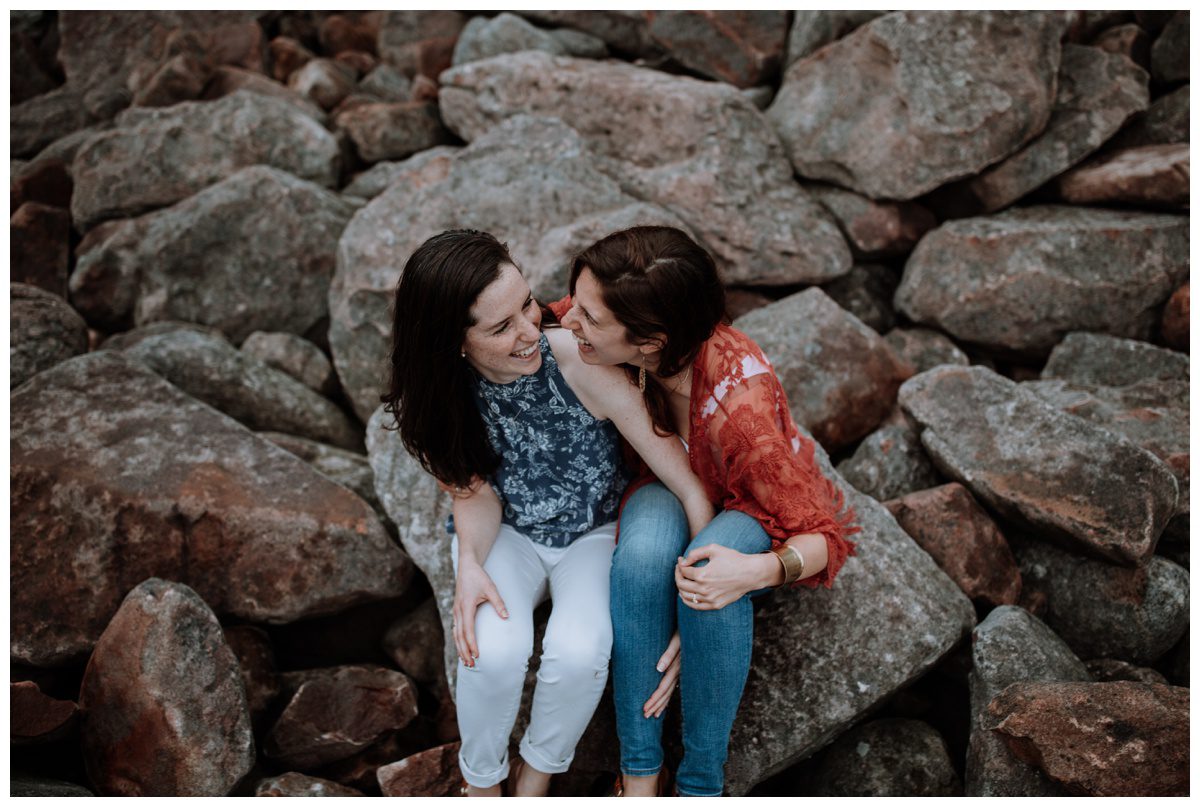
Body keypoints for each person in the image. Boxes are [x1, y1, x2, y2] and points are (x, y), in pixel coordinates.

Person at [380, 229, 712, 797]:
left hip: (594, 532)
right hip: (508, 530)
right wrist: (470, 566)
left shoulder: (577, 364)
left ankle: (533, 782)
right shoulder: (441, 396)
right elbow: (474, 492)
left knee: (580, 653)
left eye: (528, 305)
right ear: (454, 342)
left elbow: (685, 480)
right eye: (501, 327)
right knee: (490, 653)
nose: (531, 331)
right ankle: (481, 784)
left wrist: (695, 600)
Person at [554, 225, 860, 797]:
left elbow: (824, 537)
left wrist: (758, 572)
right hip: (664, 479)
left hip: (749, 505)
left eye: (589, 320)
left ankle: (700, 784)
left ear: (651, 342)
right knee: (642, 560)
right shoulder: (605, 306)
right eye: (576, 300)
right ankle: (640, 774)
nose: (570, 321)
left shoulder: (742, 410)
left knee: (704, 573)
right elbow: (529, 320)